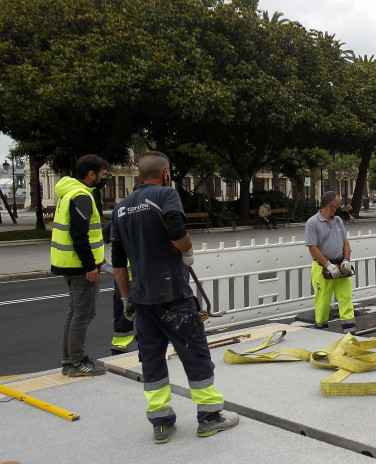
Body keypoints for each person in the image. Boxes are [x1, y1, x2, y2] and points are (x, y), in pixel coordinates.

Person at [110, 151, 238, 444]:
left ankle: (161, 423)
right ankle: (209, 417)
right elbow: (176, 228)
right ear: (165, 172)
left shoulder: (120, 209)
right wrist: (187, 250)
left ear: (139, 176)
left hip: (142, 300)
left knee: (152, 360)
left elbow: (118, 262)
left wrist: (127, 298)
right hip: (173, 295)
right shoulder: (165, 195)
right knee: (194, 354)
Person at [51, 154, 110, 377]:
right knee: (84, 313)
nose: (104, 180)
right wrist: (90, 266)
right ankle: (76, 362)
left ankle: (69, 360)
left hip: (68, 263)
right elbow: (79, 234)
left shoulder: (69, 193)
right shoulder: (82, 196)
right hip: (79, 266)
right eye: (103, 175)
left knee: (75, 312)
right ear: (91, 174)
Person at [305, 191, 355, 334]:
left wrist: (346, 260)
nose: (340, 209)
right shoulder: (312, 223)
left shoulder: (338, 221)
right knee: (323, 302)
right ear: (331, 206)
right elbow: (312, 248)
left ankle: (350, 334)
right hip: (322, 268)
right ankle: (321, 332)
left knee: (346, 299)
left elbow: (345, 242)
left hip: (340, 265)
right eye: (338, 206)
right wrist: (328, 265)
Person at [101, 222, 135, 355]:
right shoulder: (120, 220)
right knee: (125, 315)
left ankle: (119, 348)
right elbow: (95, 242)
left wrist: (105, 266)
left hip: (124, 278)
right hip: (132, 278)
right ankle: (119, 348)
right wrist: (104, 265)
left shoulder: (119, 219)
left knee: (125, 314)